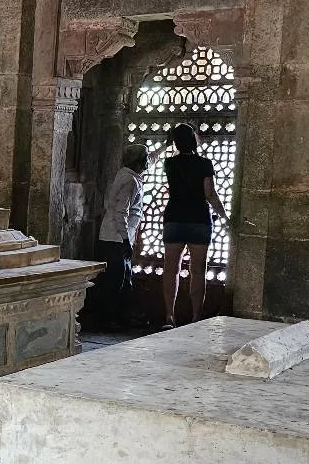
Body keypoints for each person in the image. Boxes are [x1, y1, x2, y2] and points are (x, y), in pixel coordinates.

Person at [94, 141, 167, 329]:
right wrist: (126, 240)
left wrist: (165, 146)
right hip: (116, 238)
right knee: (116, 281)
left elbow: (151, 159)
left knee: (124, 279)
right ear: (137, 162)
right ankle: (110, 319)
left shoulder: (127, 175)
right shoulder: (129, 181)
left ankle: (120, 317)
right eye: (144, 160)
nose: (147, 163)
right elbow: (121, 213)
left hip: (116, 237)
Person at [160, 123, 227, 328]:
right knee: (198, 270)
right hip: (199, 219)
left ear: (176, 142)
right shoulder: (205, 164)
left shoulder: (169, 163)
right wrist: (224, 217)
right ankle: (196, 317)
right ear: (194, 140)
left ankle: (169, 317)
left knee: (171, 269)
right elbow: (210, 194)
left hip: (174, 217)